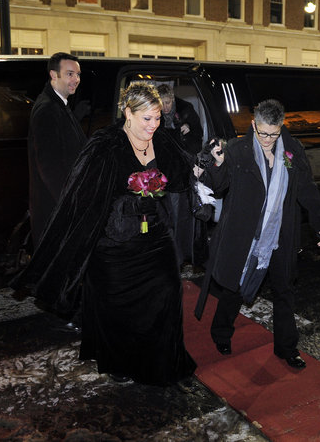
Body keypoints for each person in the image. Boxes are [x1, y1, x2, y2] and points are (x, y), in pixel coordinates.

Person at [11, 81, 196, 386]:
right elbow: (81, 195)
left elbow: (180, 177)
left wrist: (173, 176)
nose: (153, 125)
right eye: (147, 119)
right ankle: (122, 362)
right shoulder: (105, 143)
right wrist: (127, 190)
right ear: (128, 113)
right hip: (114, 242)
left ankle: (166, 361)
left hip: (155, 235)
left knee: (167, 291)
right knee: (118, 308)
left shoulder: (161, 139)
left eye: (158, 118)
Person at [194, 99, 320, 370]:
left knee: (284, 290)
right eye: (263, 132)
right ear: (253, 124)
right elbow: (219, 187)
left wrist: (319, 221)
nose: (267, 139)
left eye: (274, 133)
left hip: (280, 235)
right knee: (234, 288)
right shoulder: (238, 150)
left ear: (281, 127)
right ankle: (221, 333)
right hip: (246, 236)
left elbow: (306, 188)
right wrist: (217, 165)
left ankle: (287, 348)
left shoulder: (291, 150)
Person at [28, 52, 87, 247]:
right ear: (54, 75)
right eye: (70, 74)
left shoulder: (60, 105)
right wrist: (69, 204)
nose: (76, 80)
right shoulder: (47, 109)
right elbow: (49, 167)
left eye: (78, 74)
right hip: (55, 209)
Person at [156, 84, 204, 270]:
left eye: (168, 102)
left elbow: (196, 141)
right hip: (161, 174)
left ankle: (180, 257)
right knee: (164, 218)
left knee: (179, 218)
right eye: (162, 103)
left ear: (173, 99)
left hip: (180, 174)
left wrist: (186, 132)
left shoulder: (186, 111)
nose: (166, 107)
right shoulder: (153, 116)